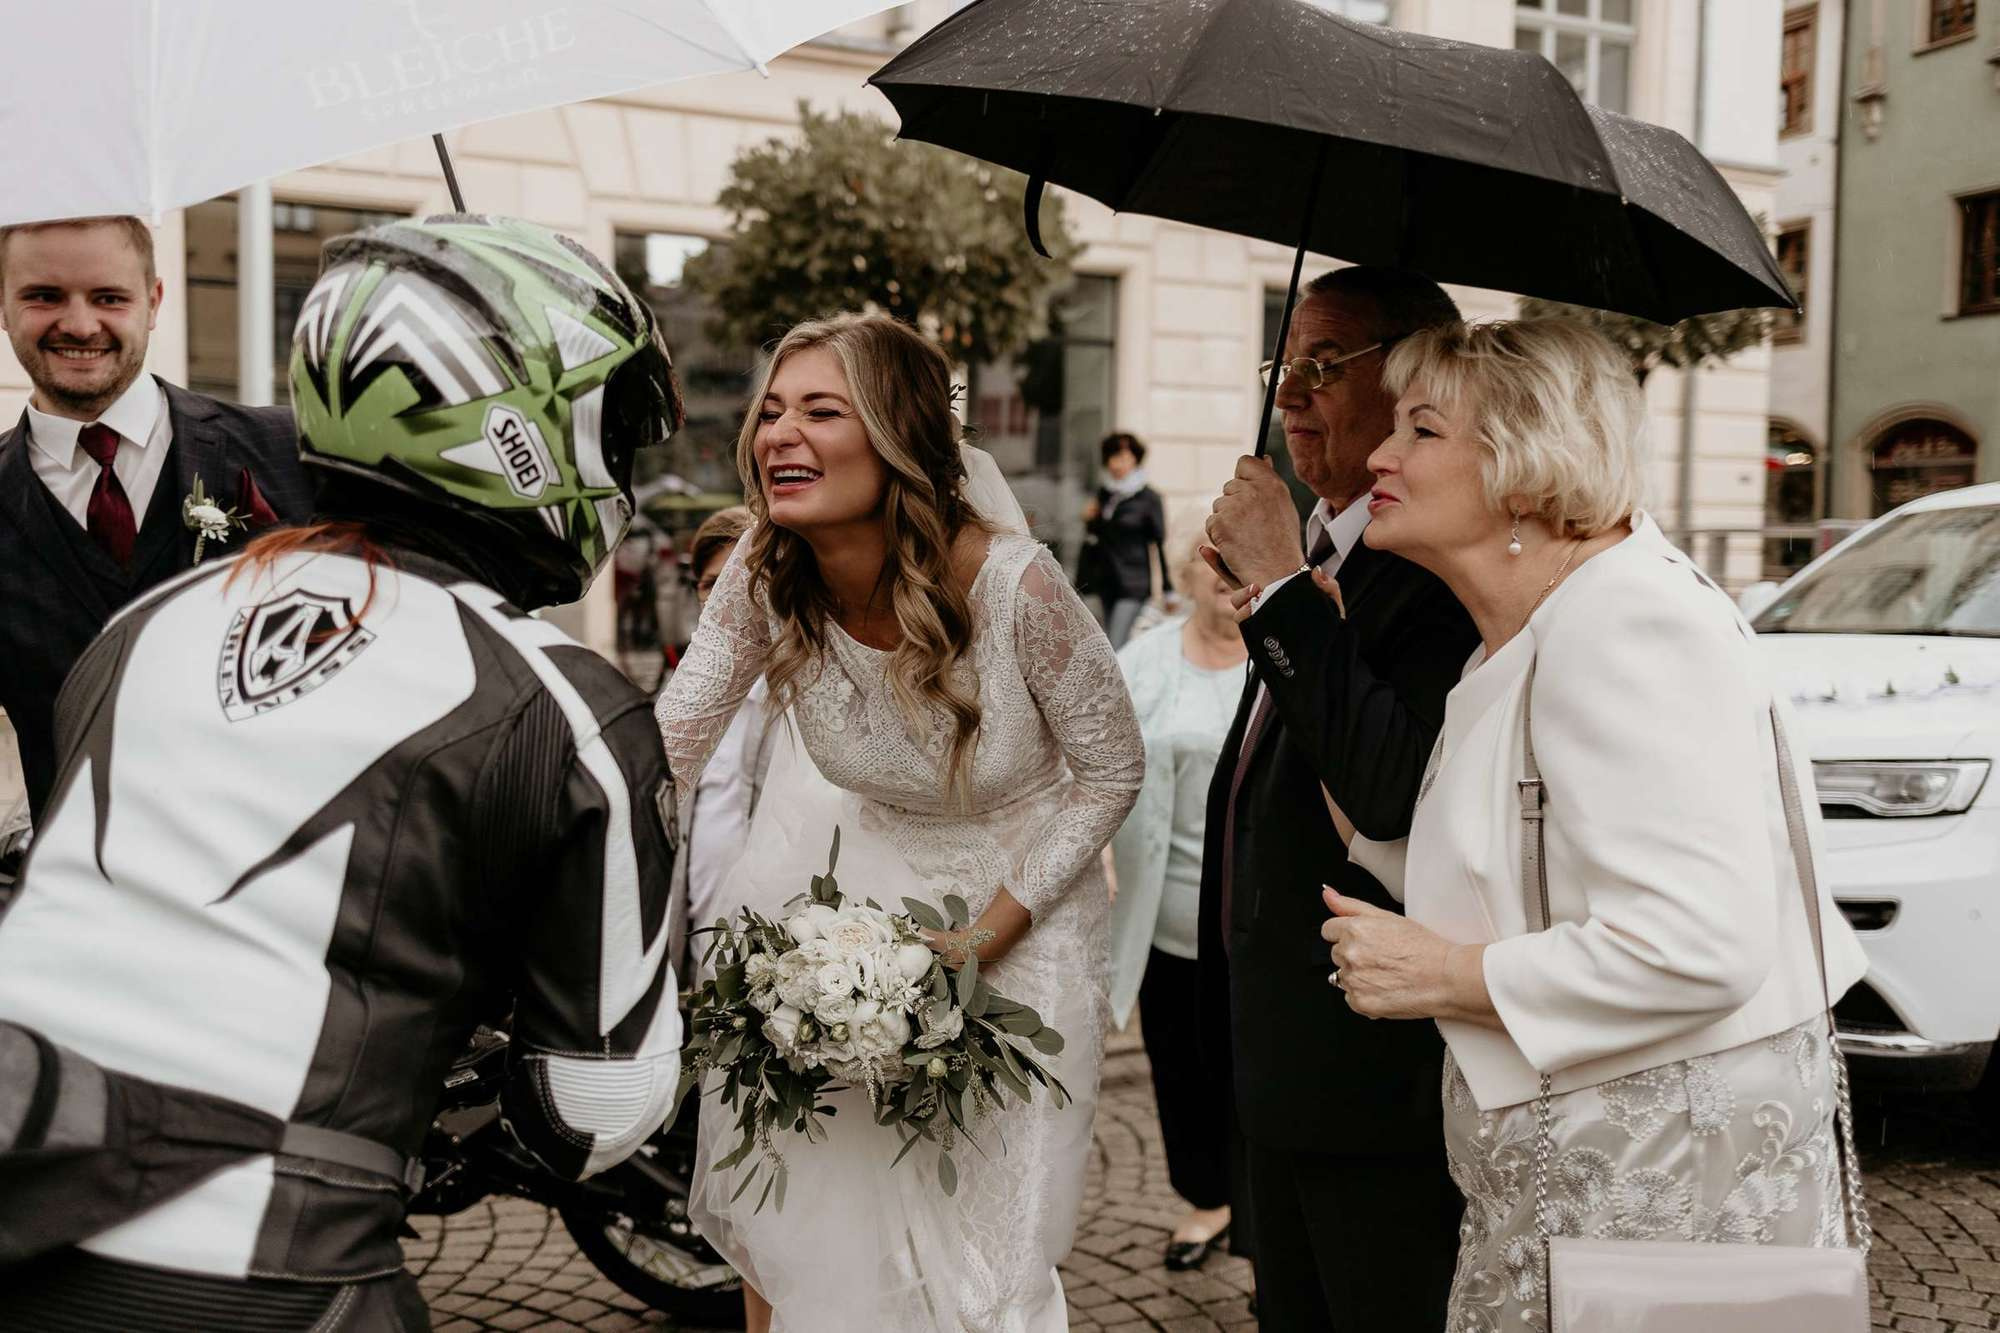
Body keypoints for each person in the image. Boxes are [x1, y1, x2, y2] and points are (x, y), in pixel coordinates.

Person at [0, 215, 688, 1330]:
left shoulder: (141, 628)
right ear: (516, 426)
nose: (618, 459)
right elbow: (600, 1106)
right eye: (605, 421)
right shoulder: (569, 700)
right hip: (269, 1271)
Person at [1320, 317, 1869, 1327]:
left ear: (1524, 464)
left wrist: (1442, 974)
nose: (1378, 456)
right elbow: (1525, 864)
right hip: (1574, 1192)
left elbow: (1700, 940)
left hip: (1659, 1202)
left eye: (1421, 430)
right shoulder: (1524, 635)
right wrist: (1373, 851)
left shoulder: (1623, 625)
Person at [656, 312, 1143, 1333]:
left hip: (1020, 917)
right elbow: (675, 738)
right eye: (771, 410)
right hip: (858, 922)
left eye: (820, 410)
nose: (777, 434)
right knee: (835, 1222)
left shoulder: (1016, 586)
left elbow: (1108, 768)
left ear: (899, 437)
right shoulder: (762, 568)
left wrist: (981, 936)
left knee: (988, 1264)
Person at [1197, 265, 1478, 1331]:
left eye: (1322, 367)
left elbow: (1385, 793)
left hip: (1374, 1090)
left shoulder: (1432, 566)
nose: (1288, 398)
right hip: (1279, 1067)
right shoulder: (1327, 547)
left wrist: (1277, 591)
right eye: (1283, 365)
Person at [0, 215, 311, 827]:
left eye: (109, 297)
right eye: (44, 296)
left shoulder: (290, 453)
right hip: (85, 896)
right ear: (3, 307)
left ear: (154, 301)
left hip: (298, 881)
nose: (80, 324)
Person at [1107, 534, 1245, 1272]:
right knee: (1180, 1062)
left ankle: (1262, 1224)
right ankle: (1205, 1199)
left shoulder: (1283, 653)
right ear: (1186, 572)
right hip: (1164, 909)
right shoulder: (1144, 660)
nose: (1225, 576)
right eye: (1212, 560)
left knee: (1251, 1071)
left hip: (1255, 918)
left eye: (1237, 561)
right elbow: (1095, 763)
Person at [672, 504, 781, 971]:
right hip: (696, 930)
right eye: (709, 584)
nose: (723, 596)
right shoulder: (681, 695)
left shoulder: (794, 694)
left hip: (771, 933)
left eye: (735, 578)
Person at [1078, 431, 1168, 648]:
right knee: (1108, 643)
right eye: (1112, 457)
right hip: (1106, 580)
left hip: (1133, 583)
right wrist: (1090, 519)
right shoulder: (1105, 494)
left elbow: (1158, 543)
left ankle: (1118, 682)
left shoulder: (1148, 498)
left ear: (1135, 459)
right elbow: (1097, 537)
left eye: (1124, 457)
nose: (1117, 464)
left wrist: (1168, 589)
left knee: (1115, 645)